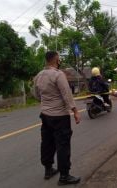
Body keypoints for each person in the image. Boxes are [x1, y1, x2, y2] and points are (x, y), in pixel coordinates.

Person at [33, 51, 81, 186]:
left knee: (47, 142)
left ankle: (48, 170)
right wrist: (75, 111)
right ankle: (64, 176)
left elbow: (36, 95)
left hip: (45, 115)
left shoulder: (39, 76)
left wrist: (46, 103)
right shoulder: (58, 75)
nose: (60, 61)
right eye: (59, 59)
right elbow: (67, 95)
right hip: (60, 117)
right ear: (56, 60)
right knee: (63, 145)